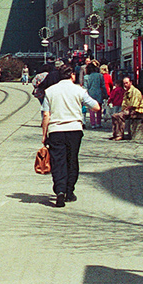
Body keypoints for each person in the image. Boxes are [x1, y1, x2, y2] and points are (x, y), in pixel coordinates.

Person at [41, 67, 101, 207]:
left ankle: (60, 191)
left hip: (56, 131)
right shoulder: (79, 90)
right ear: (72, 76)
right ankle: (69, 192)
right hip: (74, 130)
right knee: (72, 159)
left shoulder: (50, 91)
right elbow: (96, 107)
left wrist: (44, 134)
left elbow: (46, 115)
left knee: (58, 161)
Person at [116, 74, 143, 140]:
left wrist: (127, 108)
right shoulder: (126, 92)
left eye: (126, 83)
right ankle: (116, 134)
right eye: (124, 83)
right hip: (128, 109)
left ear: (130, 83)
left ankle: (120, 134)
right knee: (115, 115)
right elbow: (124, 103)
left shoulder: (135, 91)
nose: (125, 85)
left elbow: (134, 104)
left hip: (136, 110)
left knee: (120, 115)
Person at [83, 63, 106, 129]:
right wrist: (105, 94)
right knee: (99, 108)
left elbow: (86, 87)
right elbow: (103, 86)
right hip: (99, 93)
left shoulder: (87, 77)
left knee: (91, 109)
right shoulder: (100, 75)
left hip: (91, 93)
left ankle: (93, 124)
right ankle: (99, 123)